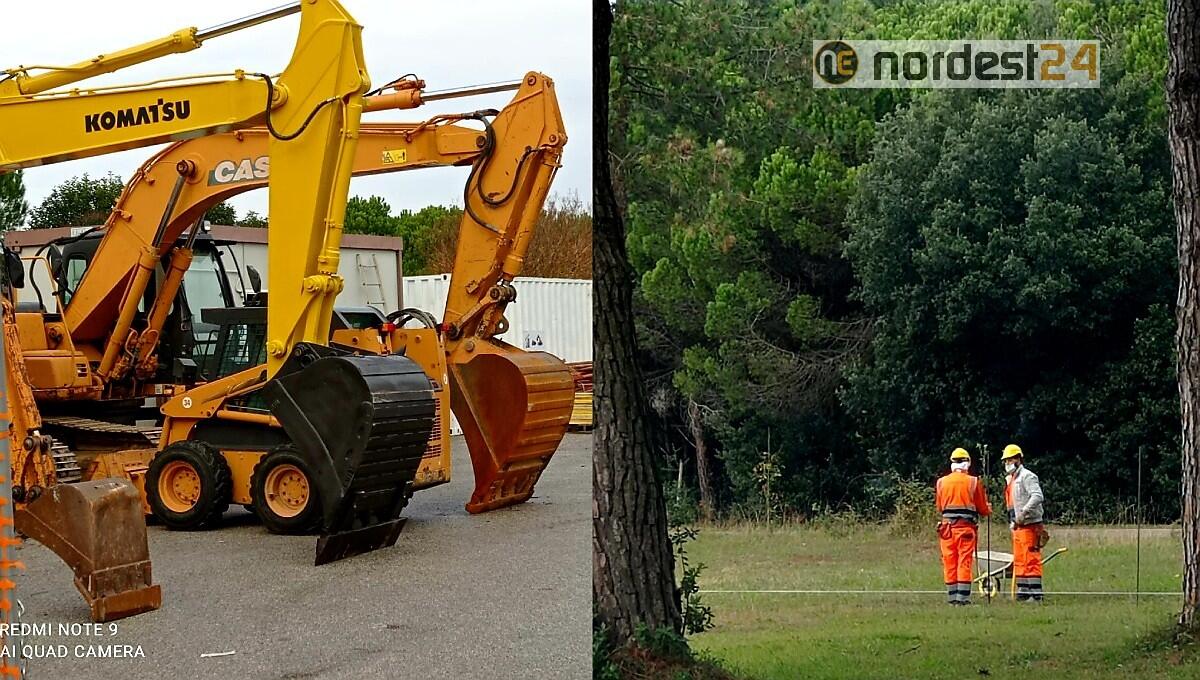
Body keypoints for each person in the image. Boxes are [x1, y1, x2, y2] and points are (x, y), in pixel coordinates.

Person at [935, 447, 991, 605]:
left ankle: (952, 597)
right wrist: (988, 509)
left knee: (949, 562)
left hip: (946, 530)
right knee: (963, 561)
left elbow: (940, 507)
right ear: (967, 463)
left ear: (952, 463)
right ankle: (963, 598)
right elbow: (982, 509)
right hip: (965, 529)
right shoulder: (973, 481)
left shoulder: (941, 482)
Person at [1002, 443, 1046, 602]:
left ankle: (1036, 595)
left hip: (1030, 525)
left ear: (1019, 459)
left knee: (1031, 559)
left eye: (1010, 459)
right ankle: (1023, 592)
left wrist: (1023, 513)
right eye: (1006, 460)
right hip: (1017, 526)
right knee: (1020, 560)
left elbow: (1037, 496)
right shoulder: (1011, 479)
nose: (1008, 463)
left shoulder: (1028, 476)